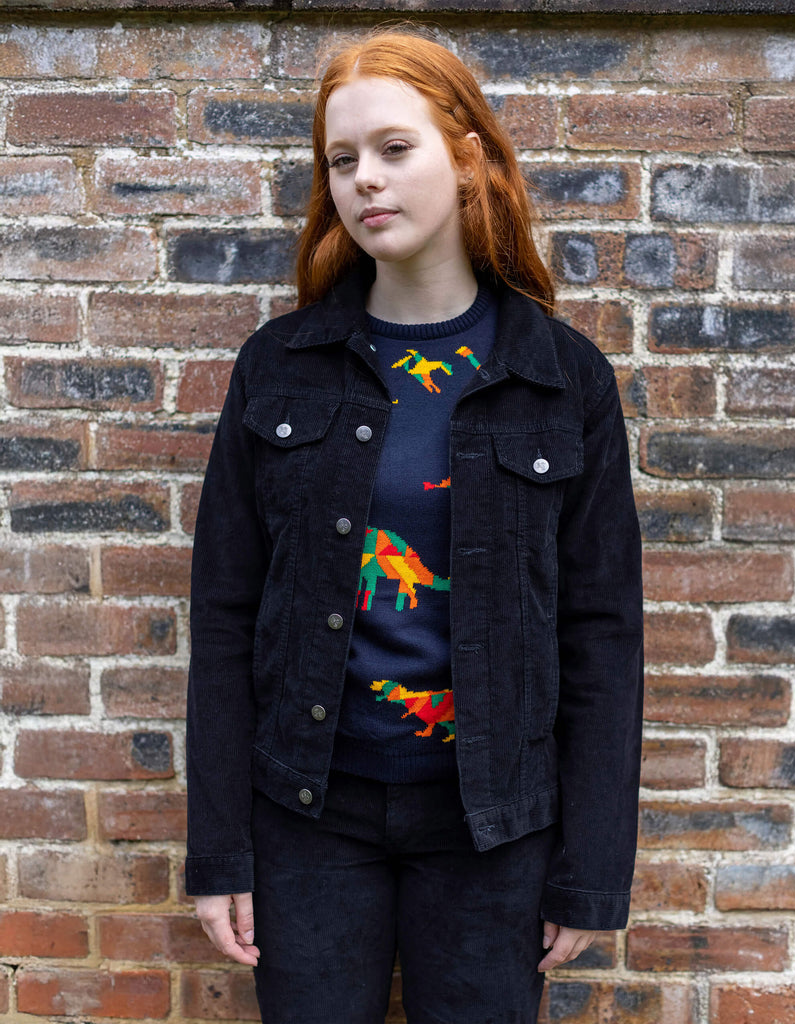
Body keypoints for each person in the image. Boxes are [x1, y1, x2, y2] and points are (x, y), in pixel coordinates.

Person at [186, 28, 643, 1024]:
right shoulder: (281, 365)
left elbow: (603, 630)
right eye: (342, 160)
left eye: (395, 150)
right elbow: (224, 610)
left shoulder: (563, 379)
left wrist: (590, 866)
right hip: (307, 815)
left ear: (468, 155)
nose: (365, 181)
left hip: (494, 829)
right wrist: (219, 849)